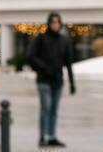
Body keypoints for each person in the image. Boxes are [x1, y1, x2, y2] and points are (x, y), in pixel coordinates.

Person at [25, 11, 75, 148]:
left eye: (57, 22)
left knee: (54, 110)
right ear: (49, 23)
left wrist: (72, 82)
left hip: (58, 81)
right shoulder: (40, 39)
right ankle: (42, 136)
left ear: (60, 23)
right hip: (43, 80)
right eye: (53, 22)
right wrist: (44, 68)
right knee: (45, 108)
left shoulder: (64, 41)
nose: (55, 24)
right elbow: (30, 57)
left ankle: (52, 136)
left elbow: (69, 62)